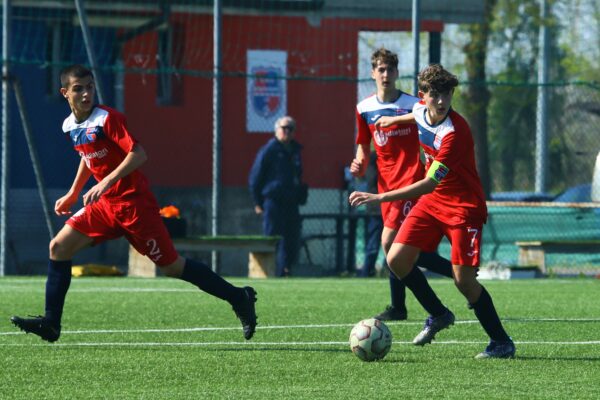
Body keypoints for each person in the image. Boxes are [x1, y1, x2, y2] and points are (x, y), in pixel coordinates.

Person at [10, 65, 257, 342]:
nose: (86, 93)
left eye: (90, 87)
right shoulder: (70, 125)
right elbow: (88, 156)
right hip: (105, 207)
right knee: (58, 246)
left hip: (134, 206)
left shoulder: (108, 119)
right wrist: (72, 192)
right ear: (64, 93)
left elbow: (138, 154)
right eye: (78, 88)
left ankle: (239, 297)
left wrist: (105, 183)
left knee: (171, 267)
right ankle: (51, 323)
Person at [350, 64, 516, 359]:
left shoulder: (455, 133)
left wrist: (379, 196)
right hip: (433, 203)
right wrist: (391, 119)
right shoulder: (418, 110)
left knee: (464, 281)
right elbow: (415, 115)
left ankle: (501, 342)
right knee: (396, 259)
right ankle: (439, 314)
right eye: (435, 95)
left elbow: (427, 183)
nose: (442, 101)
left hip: (463, 207)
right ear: (422, 96)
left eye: (447, 94)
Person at [351, 47, 453, 320]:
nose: (386, 74)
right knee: (406, 250)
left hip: (410, 181)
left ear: (397, 73)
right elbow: (363, 143)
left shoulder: (412, 105)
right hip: (386, 187)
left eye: (390, 69)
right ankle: (456, 271)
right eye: (381, 69)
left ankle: (400, 306)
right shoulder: (364, 109)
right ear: (373, 73)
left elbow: (430, 118)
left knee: (389, 243)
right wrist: (359, 161)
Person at [249, 116, 306, 277]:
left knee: (291, 238)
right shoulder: (269, 150)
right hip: (273, 201)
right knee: (272, 237)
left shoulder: (295, 150)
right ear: (277, 130)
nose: (287, 132)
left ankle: (285, 271)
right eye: (284, 128)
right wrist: (258, 202)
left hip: (291, 202)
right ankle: (269, 271)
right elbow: (255, 178)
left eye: (290, 129)